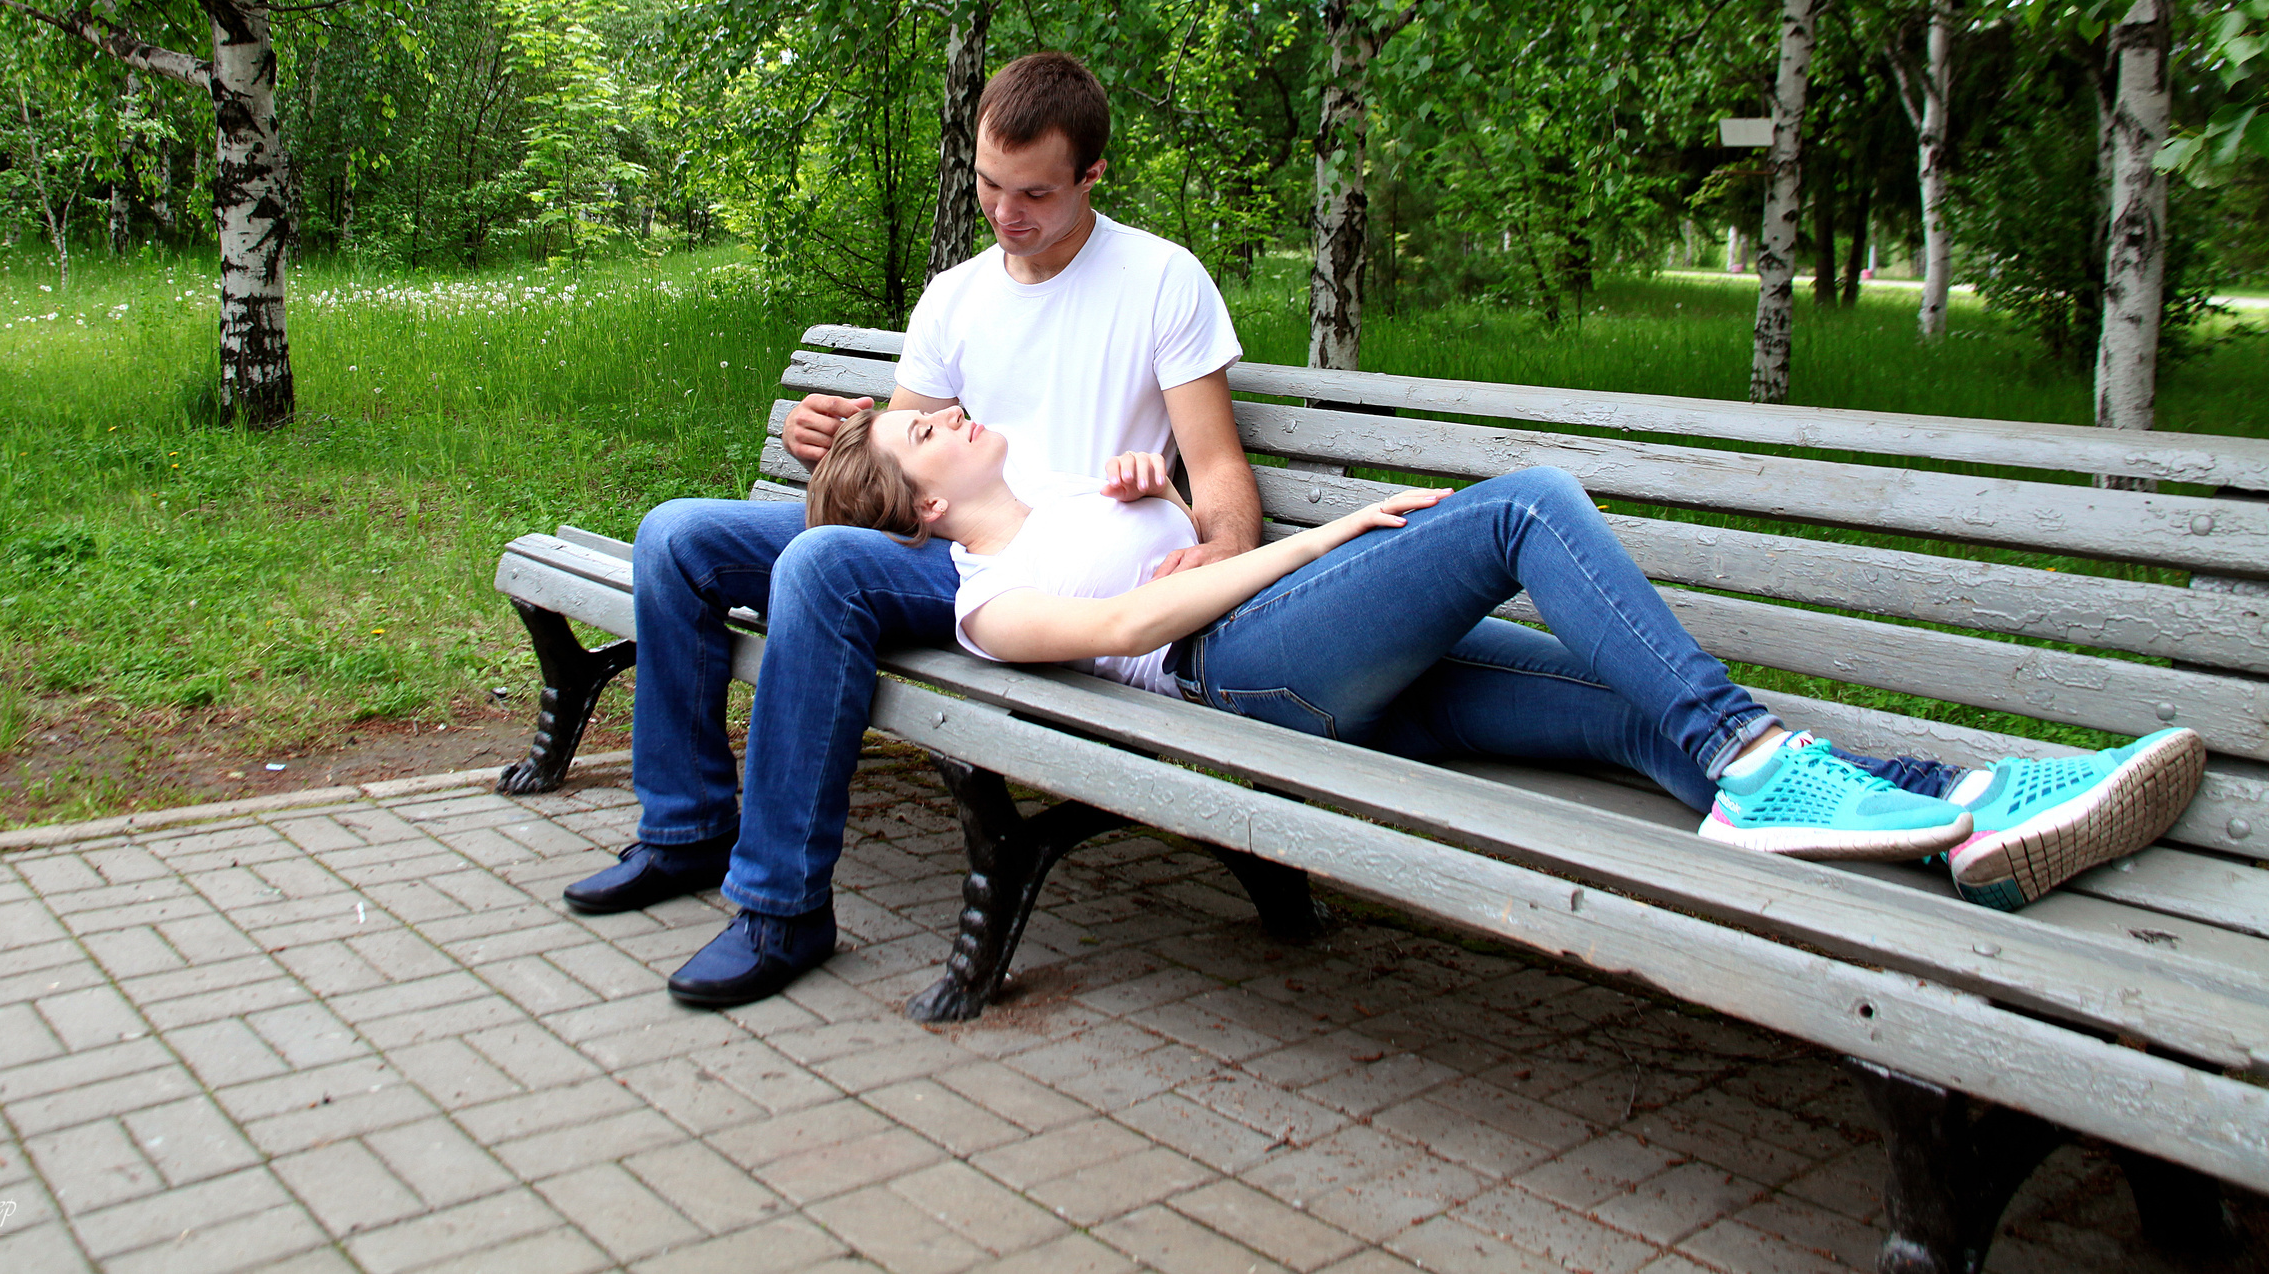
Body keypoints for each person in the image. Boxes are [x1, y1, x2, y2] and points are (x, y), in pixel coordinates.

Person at [806, 406, 2207, 908]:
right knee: (1523, 506)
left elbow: (1165, 557)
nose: (954, 415)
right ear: (921, 509)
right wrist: (1320, 538)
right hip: (1247, 680)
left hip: (1312, 667)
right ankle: (1755, 761)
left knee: (1629, 717)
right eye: (928, 433)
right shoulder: (990, 600)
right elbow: (1129, 629)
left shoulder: (1060, 497)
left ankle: (1967, 809)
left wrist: (1155, 495)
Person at [565, 52, 1265, 1008]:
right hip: (947, 537)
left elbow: (1216, 465)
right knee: (676, 537)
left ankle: (780, 908)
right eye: (988, 183)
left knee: (823, 569)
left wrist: (1222, 555)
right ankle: (685, 831)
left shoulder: (1160, 280)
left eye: (1035, 192)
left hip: (1041, 567)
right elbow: (895, 471)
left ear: (1092, 175)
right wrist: (829, 443)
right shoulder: (957, 295)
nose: (1006, 212)